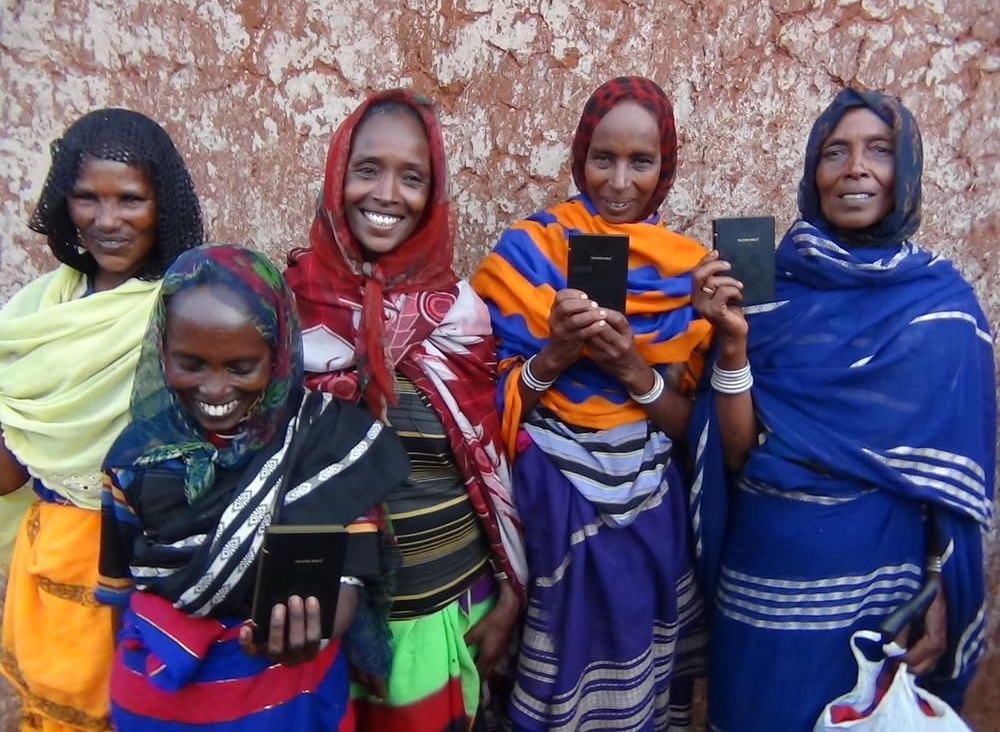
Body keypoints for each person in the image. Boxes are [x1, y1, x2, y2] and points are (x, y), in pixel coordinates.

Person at [689, 88, 995, 731]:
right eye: (836, 151)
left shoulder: (941, 308)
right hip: (764, 588)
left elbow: (948, 482)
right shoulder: (768, 294)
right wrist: (734, 342)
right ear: (813, 173)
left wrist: (940, 589)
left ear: (906, 170)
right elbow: (739, 455)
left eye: (879, 151)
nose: (856, 167)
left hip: (882, 591)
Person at [471, 76, 711, 731]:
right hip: (549, 509)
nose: (620, 181)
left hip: (650, 517)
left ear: (665, 167)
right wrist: (553, 356)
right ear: (579, 157)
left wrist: (632, 368)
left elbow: (704, 434)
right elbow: (472, 401)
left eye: (642, 162)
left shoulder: (691, 273)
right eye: (603, 158)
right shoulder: (528, 253)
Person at [285, 89, 527, 731]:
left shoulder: (462, 316)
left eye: (412, 177)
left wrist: (510, 591)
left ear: (434, 193)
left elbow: (491, 463)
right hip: (320, 624)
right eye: (368, 169)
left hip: (446, 613)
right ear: (338, 175)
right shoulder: (286, 311)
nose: (387, 194)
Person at [97, 244, 409, 730]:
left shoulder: (328, 446)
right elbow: (120, 595)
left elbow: (347, 581)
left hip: (288, 695)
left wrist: (318, 624)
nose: (216, 390)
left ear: (279, 354)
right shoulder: (133, 460)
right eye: (190, 363)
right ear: (161, 351)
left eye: (241, 367)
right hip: (161, 703)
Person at [0, 108, 203, 731]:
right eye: (87, 197)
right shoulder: (37, 309)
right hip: (49, 555)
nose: (106, 220)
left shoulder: (189, 303)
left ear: (161, 203)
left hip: (148, 565)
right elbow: (11, 469)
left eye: (130, 199)